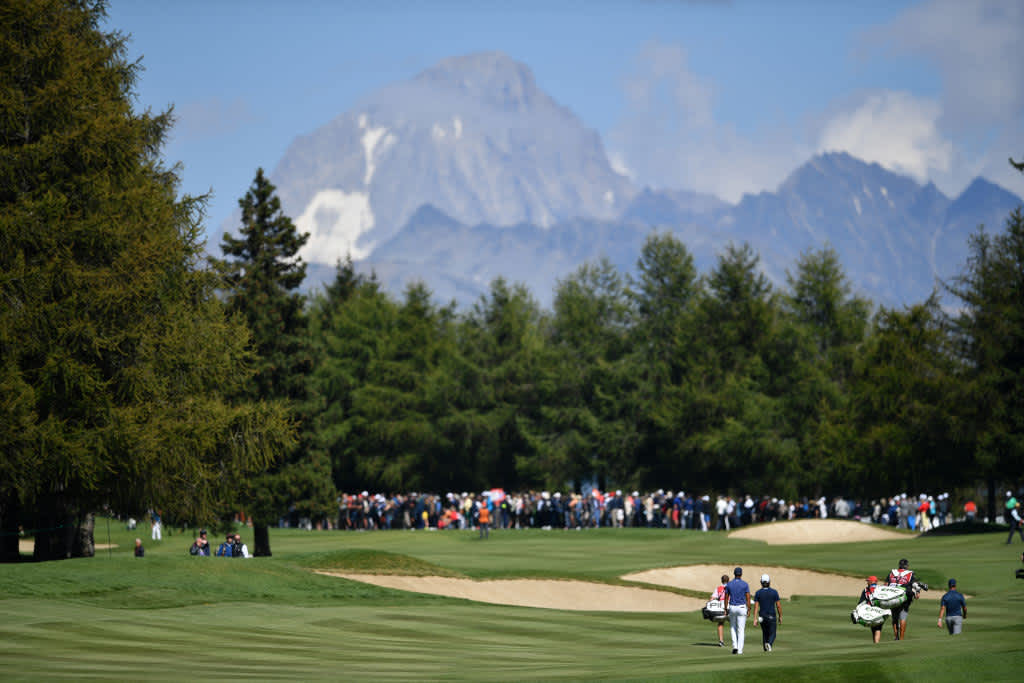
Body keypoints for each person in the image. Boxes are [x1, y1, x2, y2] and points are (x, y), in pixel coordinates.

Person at [887, 558, 918, 640]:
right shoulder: (910, 573)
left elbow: (886, 584)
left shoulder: (892, 572)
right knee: (903, 617)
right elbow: (914, 585)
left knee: (894, 617)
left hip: (892, 596)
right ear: (907, 566)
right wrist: (916, 594)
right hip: (904, 598)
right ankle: (901, 638)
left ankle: (896, 636)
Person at [724, 566, 752, 655]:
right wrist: (749, 609)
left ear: (734, 574)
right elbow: (748, 597)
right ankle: (739, 650)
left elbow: (726, 597)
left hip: (732, 607)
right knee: (741, 630)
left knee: (733, 627)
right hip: (742, 607)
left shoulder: (729, 584)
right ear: (741, 574)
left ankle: (735, 646)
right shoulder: (745, 584)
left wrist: (725, 608)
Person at [753, 574, 782, 652]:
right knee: (773, 634)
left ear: (761, 582)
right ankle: (769, 644)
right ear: (769, 582)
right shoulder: (774, 592)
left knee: (765, 634)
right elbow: (778, 606)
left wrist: (755, 619)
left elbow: (756, 607)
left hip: (761, 617)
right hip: (771, 616)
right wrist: (780, 616)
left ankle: (766, 650)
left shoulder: (758, 593)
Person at [858, 576, 883, 643]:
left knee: (874, 628)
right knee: (878, 628)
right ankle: (876, 643)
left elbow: (861, 602)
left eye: (868, 581)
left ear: (872, 581)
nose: (867, 582)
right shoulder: (881, 588)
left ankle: (875, 643)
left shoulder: (866, 590)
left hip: (870, 611)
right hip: (880, 610)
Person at [710, 574, 729, 647]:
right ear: (728, 580)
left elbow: (712, 599)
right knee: (734, 624)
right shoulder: (731, 587)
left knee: (720, 624)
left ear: (722, 581)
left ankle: (721, 641)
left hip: (721, 608)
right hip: (730, 607)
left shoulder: (718, 588)